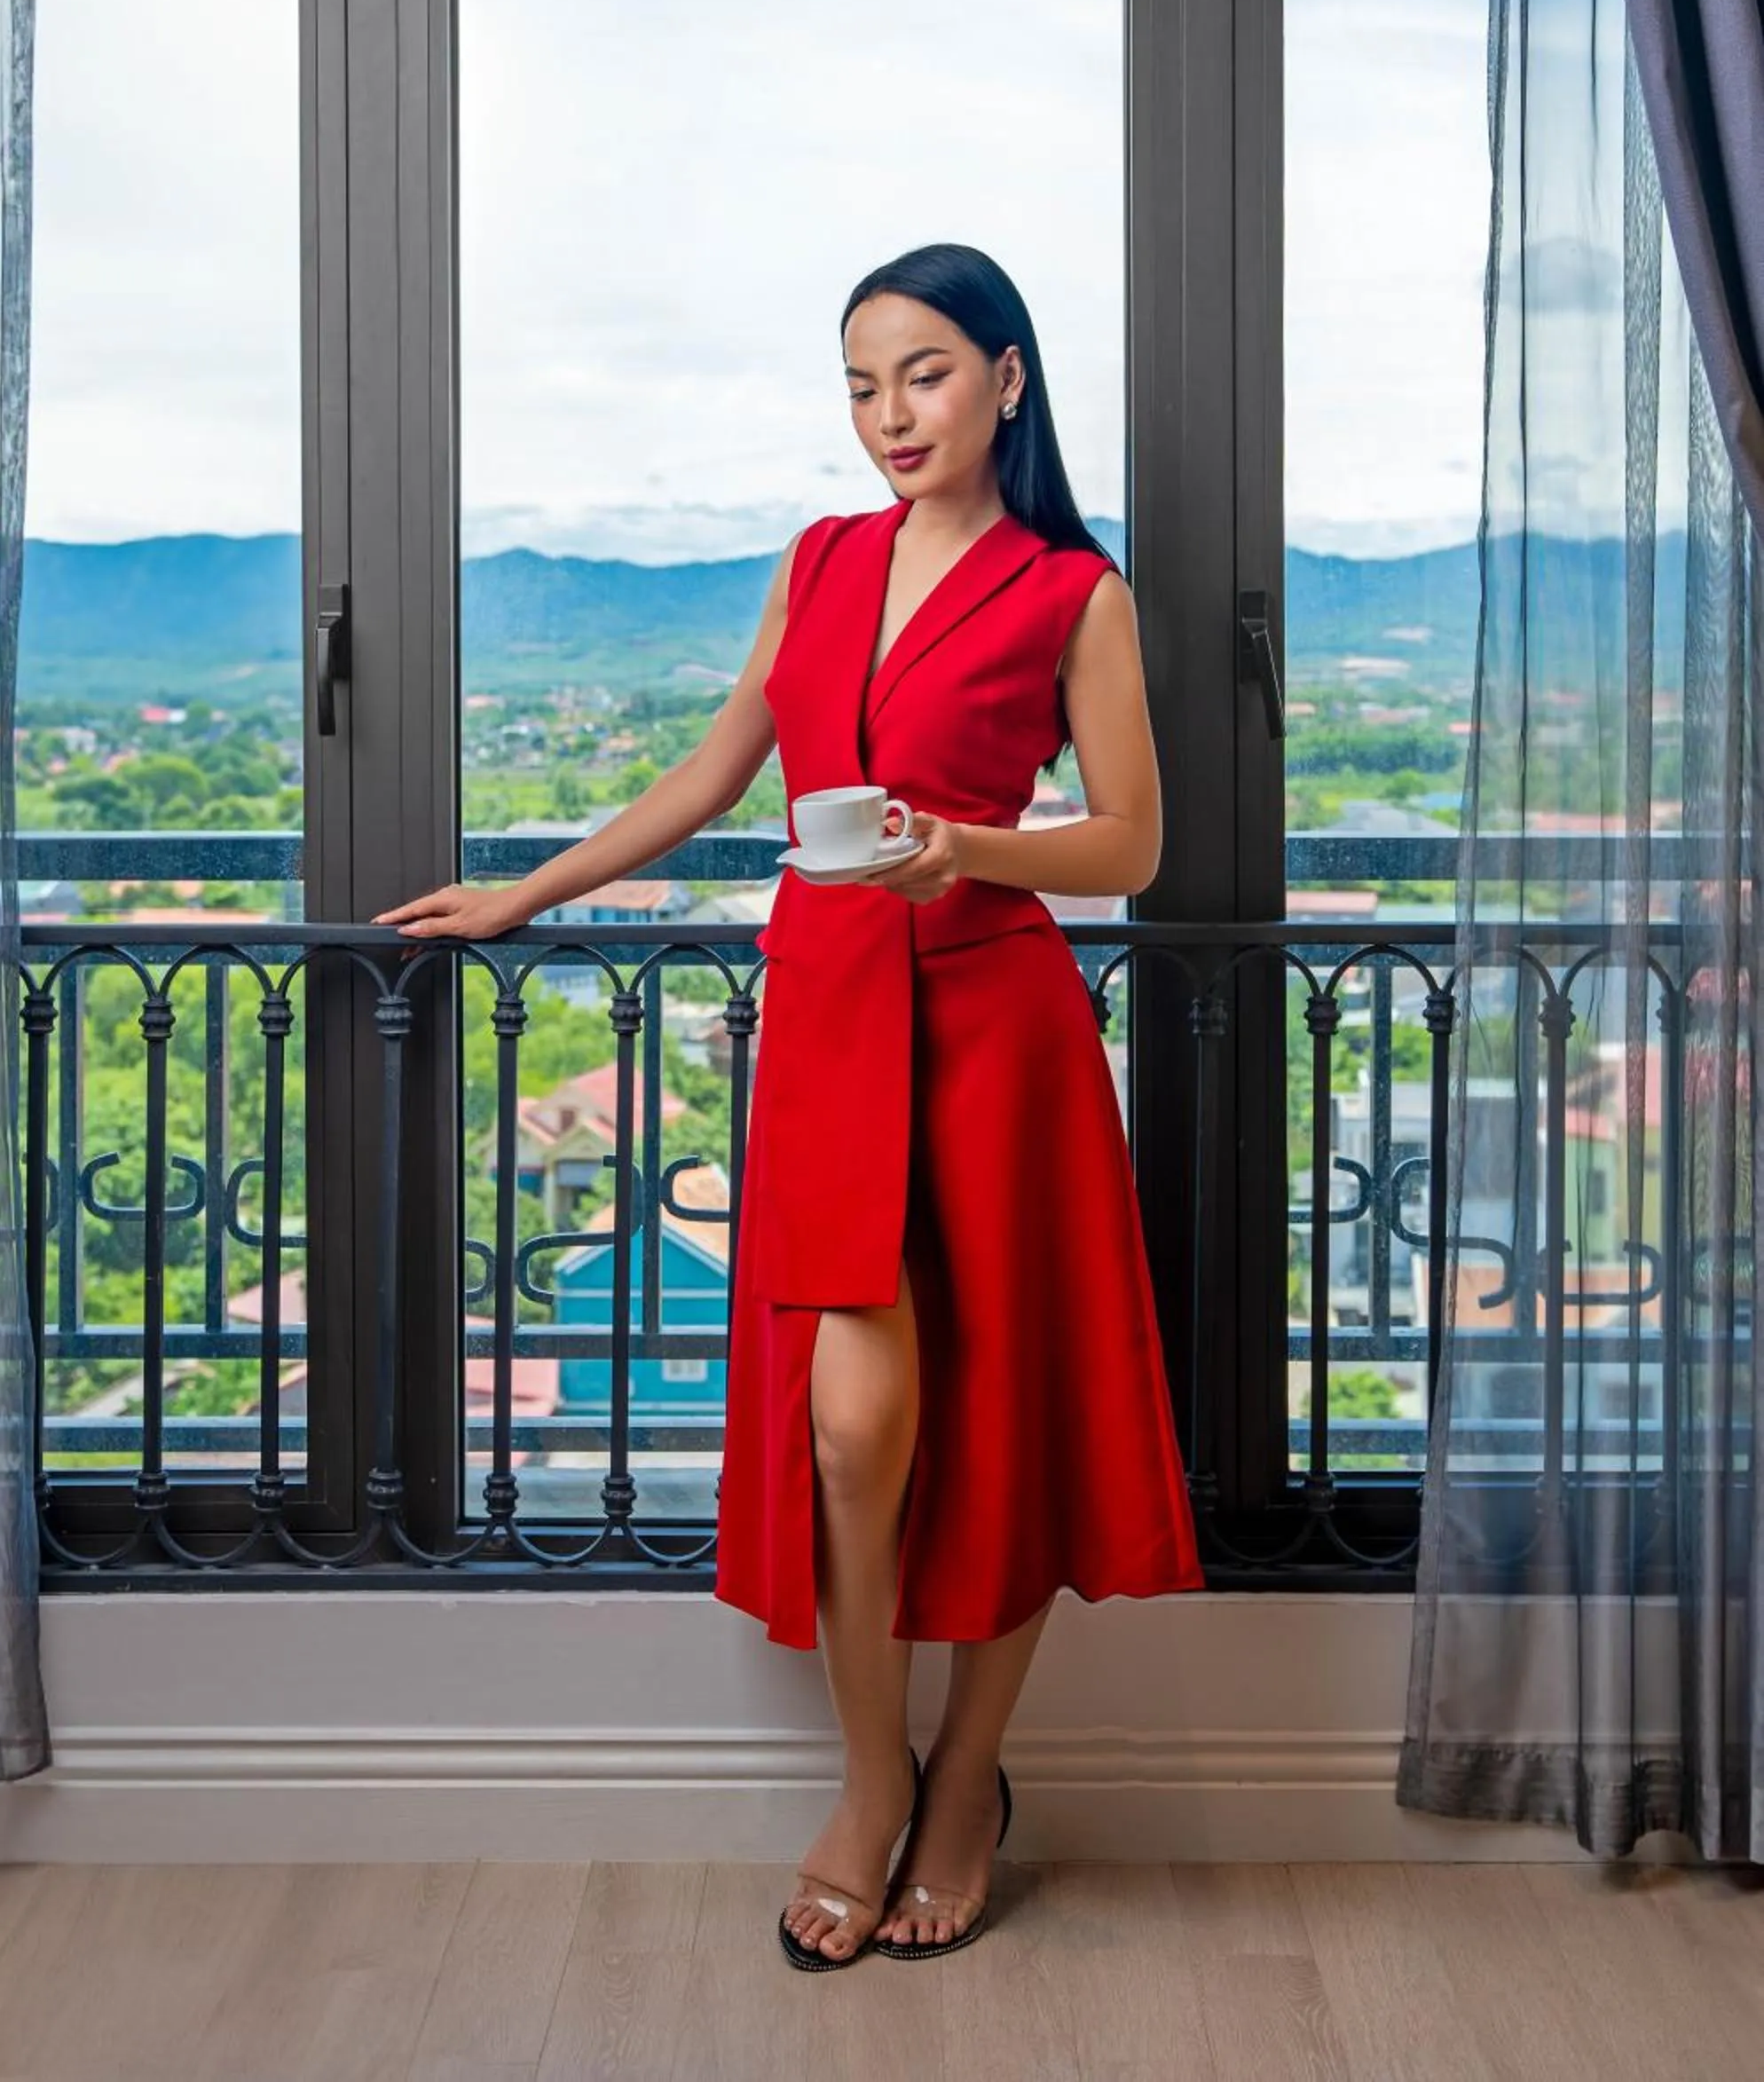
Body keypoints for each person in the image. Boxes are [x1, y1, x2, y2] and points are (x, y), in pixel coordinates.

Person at [372, 241, 1203, 1971]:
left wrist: (960, 846)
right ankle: (864, 1778)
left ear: (1007, 378)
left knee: (1010, 1417)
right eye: (859, 385)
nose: (890, 415)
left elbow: (1130, 844)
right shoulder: (819, 560)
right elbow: (724, 759)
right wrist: (531, 895)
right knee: (853, 1436)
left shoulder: (1076, 593)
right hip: (832, 1028)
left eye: (923, 374)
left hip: (994, 1032)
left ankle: (965, 1781)